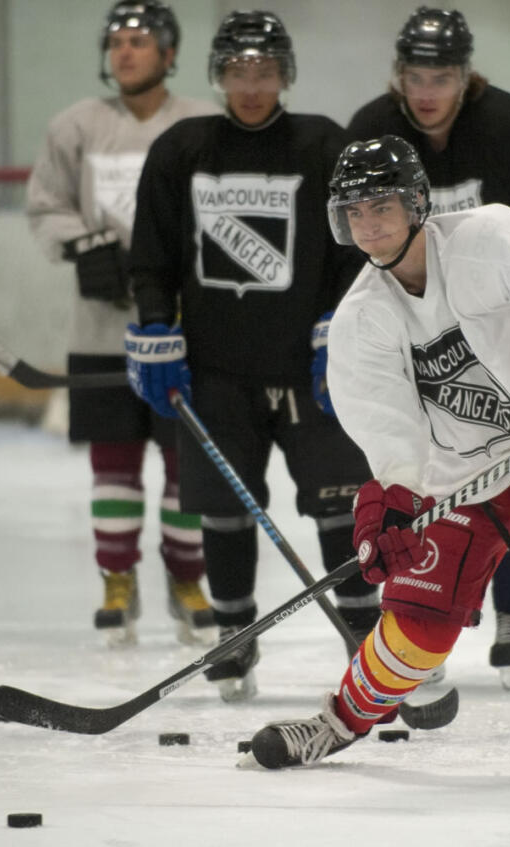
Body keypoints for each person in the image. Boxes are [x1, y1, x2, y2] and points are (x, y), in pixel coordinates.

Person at [248, 136, 510, 783]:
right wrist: (392, 500)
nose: (369, 224)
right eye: (354, 211)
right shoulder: (359, 321)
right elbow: (392, 436)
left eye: (381, 205)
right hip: (465, 476)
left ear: (418, 200)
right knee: (415, 631)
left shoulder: (488, 238)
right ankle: (338, 721)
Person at [344, 7, 510, 689]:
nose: (428, 91)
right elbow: (346, 233)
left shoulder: (507, 124)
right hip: (411, 333)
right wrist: (334, 330)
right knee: (441, 476)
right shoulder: (373, 130)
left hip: (496, 326)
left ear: (467, 76)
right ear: (397, 76)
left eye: (444, 75)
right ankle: (431, 618)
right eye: (415, 76)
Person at [124, 10, 378, 702]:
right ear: (218, 75)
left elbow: (361, 244)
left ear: (285, 74)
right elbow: (151, 255)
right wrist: (154, 325)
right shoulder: (183, 150)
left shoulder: (324, 144)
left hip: (310, 371)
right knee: (223, 511)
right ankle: (234, 637)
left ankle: (368, 640)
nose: (252, 85)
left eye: (264, 71)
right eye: (239, 71)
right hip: (217, 372)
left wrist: (340, 320)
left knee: (341, 505)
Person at [25, 2, 219, 647]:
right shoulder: (75, 126)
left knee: (185, 463)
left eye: (139, 41)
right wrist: (83, 244)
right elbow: (44, 207)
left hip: (183, 332)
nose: (125, 53)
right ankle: (117, 579)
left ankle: (188, 578)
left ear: (169, 53)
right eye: (116, 42)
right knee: (113, 465)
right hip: (101, 331)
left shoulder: (200, 125)